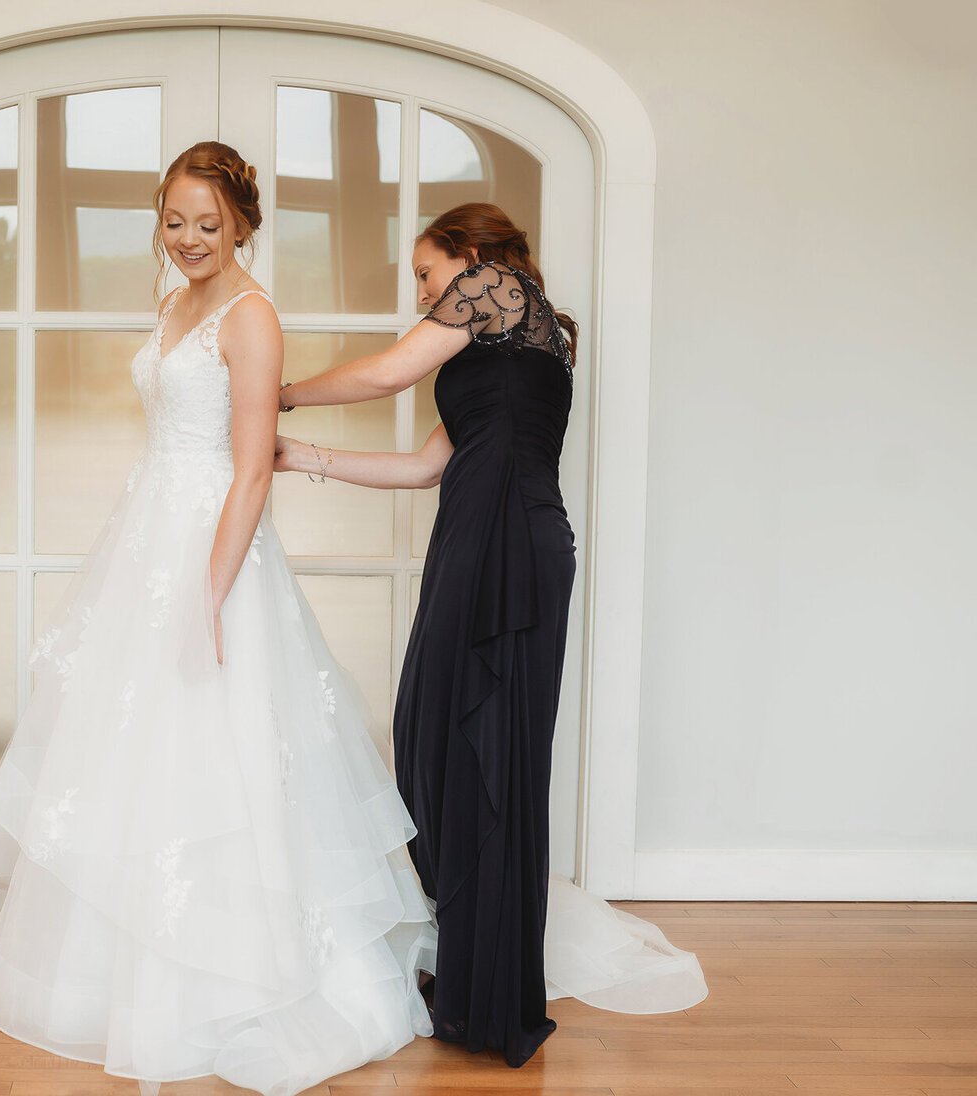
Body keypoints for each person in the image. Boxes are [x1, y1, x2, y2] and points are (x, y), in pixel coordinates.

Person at [0, 142, 435, 1096]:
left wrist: (212, 588)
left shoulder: (253, 318)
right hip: (148, 534)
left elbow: (252, 467)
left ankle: (240, 971)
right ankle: (119, 969)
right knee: (130, 754)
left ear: (243, 225)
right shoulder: (175, 301)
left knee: (221, 748)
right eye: (174, 222)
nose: (187, 240)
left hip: (213, 543)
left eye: (207, 225)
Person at [276, 203, 704, 1065]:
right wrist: (301, 454)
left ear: (469, 259)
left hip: (504, 541)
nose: (426, 294)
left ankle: (488, 994)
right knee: (441, 742)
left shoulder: (497, 290)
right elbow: (425, 468)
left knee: (486, 755)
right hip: (480, 536)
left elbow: (390, 373)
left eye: (426, 276)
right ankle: (473, 970)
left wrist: (273, 392)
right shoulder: (504, 348)